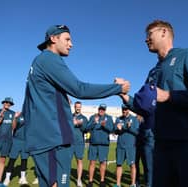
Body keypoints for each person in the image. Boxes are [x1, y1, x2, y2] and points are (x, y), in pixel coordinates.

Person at [22, 24, 130, 187]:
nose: (71, 44)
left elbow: (28, 105)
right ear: (53, 39)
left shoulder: (39, 62)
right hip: (52, 140)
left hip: (45, 138)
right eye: (67, 39)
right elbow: (79, 89)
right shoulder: (49, 59)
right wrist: (118, 88)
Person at [120, 19, 188, 187]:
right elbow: (145, 108)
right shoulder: (153, 71)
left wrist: (168, 96)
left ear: (164, 32)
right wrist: (125, 97)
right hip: (161, 144)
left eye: (149, 34)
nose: (146, 39)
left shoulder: (187, 55)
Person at [85, 104, 114, 187]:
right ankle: (90, 181)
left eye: (103, 109)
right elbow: (87, 128)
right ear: (98, 109)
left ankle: (102, 181)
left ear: (105, 110)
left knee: (103, 163)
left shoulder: (109, 118)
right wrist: (94, 122)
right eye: (100, 109)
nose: (101, 110)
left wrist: (105, 125)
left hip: (104, 144)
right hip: (93, 144)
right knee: (92, 162)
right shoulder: (92, 117)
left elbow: (112, 129)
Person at [113, 104, 139, 187]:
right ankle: (118, 184)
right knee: (119, 164)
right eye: (123, 109)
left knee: (132, 165)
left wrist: (129, 127)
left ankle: (132, 184)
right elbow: (114, 131)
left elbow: (137, 132)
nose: (124, 111)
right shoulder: (118, 119)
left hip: (130, 146)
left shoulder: (134, 119)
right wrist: (117, 129)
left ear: (129, 109)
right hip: (120, 146)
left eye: (126, 109)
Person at [3, 113, 29, 186]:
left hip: (26, 141)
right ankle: (7, 178)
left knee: (24, 160)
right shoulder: (19, 115)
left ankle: (23, 178)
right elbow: (13, 127)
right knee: (12, 160)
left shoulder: (31, 116)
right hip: (16, 141)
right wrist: (15, 118)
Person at [135, 115, 154, 187]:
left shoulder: (146, 121)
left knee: (147, 166)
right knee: (136, 166)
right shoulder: (135, 120)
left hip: (144, 146)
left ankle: (148, 183)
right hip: (136, 146)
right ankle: (137, 183)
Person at [72, 101, 88, 187]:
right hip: (69, 142)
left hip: (79, 143)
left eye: (79, 107)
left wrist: (79, 124)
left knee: (79, 160)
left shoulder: (84, 118)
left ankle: (78, 180)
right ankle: (65, 177)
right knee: (66, 161)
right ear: (74, 107)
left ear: (81, 107)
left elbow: (85, 129)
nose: (78, 108)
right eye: (76, 106)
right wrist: (72, 123)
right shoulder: (70, 116)